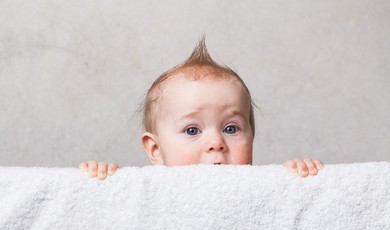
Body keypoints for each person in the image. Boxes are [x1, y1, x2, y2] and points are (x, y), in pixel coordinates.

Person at [80, 38, 323, 180]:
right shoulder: (142, 191)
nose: (216, 142)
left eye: (230, 128)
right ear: (156, 149)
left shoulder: (265, 186)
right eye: (192, 130)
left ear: (252, 137)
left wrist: (298, 180)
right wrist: (103, 180)